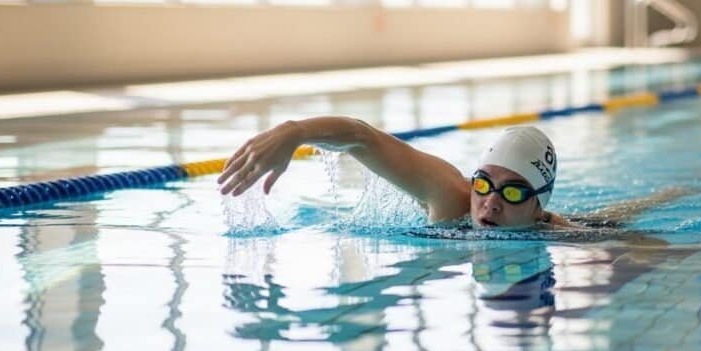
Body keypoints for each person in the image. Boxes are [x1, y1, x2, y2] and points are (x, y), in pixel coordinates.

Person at [218, 117, 571, 229]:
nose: (490, 203)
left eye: (512, 193)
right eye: (483, 184)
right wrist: (294, 132)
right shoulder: (451, 198)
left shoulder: (559, 233)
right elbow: (364, 139)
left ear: (539, 209)